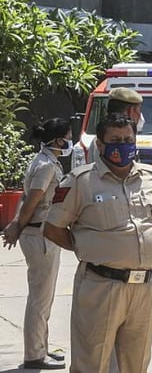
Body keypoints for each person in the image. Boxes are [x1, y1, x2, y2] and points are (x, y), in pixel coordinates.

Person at [43, 113, 152, 373]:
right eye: (114, 140)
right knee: (92, 363)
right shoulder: (81, 181)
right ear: (100, 145)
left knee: (137, 364)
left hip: (144, 288)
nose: (122, 145)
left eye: (127, 139)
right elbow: (53, 228)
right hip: (101, 286)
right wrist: (90, 248)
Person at [1, 118, 72, 370]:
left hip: (39, 234)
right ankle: (34, 355)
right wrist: (16, 224)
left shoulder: (43, 160)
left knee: (44, 297)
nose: (69, 142)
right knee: (40, 299)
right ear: (57, 140)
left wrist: (17, 225)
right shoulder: (45, 166)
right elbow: (32, 200)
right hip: (40, 235)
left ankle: (41, 348)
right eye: (67, 137)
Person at [88, 87, 144, 164]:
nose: (140, 116)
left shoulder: (100, 139)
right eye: (139, 110)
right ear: (131, 111)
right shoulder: (124, 141)